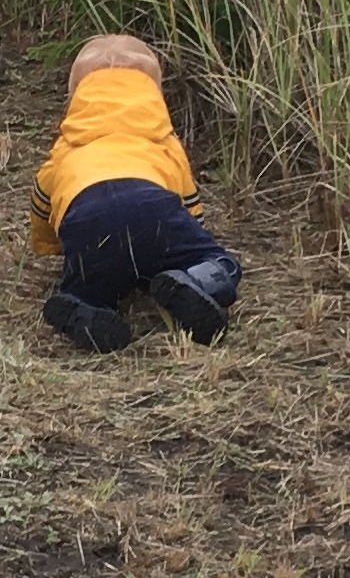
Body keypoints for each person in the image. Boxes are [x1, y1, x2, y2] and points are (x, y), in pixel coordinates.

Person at [27, 32, 241, 352]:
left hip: (87, 218)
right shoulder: (163, 142)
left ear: (76, 99)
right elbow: (190, 209)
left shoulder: (68, 146)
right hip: (154, 207)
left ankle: (84, 307)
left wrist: (50, 244)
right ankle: (199, 280)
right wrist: (189, 242)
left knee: (90, 283)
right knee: (217, 260)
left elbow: (42, 201)